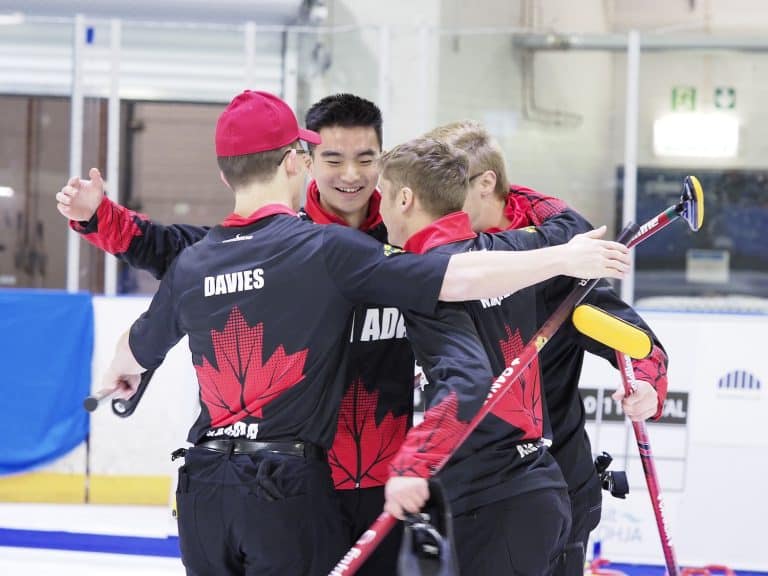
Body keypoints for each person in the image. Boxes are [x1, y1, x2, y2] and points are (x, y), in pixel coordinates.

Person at [94, 90, 630, 575]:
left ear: (224, 175)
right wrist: (562, 254)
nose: (346, 172)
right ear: (294, 162)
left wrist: (123, 375)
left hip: (206, 490)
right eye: (320, 156)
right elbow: (454, 271)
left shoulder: (195, 263)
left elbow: (128, 356)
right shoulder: (323, 251)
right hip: (291, 486)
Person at [426, 120, 669, 574]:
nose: (433, 203)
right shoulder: (440, 258)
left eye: (447, 187)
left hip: (550, 486)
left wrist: (649, 389)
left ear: (486, 184)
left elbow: (638, 344)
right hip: (464, 487)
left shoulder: (556, 266)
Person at [377, 137, 575, 575]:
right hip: (541, 492)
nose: (380, 211)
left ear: (405, 199)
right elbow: (567, 222)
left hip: (494, 504)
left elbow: (467, 379)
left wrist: (413, 464)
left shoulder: (424, 281)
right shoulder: (513, 250)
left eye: (383, 197)